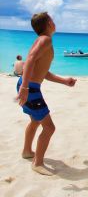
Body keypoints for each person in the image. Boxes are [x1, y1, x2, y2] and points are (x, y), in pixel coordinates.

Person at [16, 12, 77, 176]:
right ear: (49, 23)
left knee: (36, 120)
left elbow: (42, 71)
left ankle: (27, 151)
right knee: (49, 128)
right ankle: (37, 163)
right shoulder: (45, 40)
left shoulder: (42, 41)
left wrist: (64, 81)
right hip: (31, 88)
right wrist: (25, 88)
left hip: (28, 85)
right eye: (53, 20)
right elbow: (29, 59)